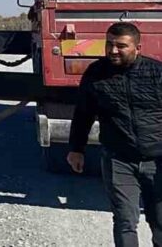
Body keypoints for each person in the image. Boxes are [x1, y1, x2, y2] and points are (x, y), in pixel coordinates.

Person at [68, 22, 162, 247]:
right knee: (124, 220)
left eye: (121, 45)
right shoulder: (96, 74)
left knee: (159, 221)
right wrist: (76, 149)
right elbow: (83, 113)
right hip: (118, 160)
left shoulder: (157, 73)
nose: (112, 50)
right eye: (109, 44)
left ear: (138, 47)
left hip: (157, 159)